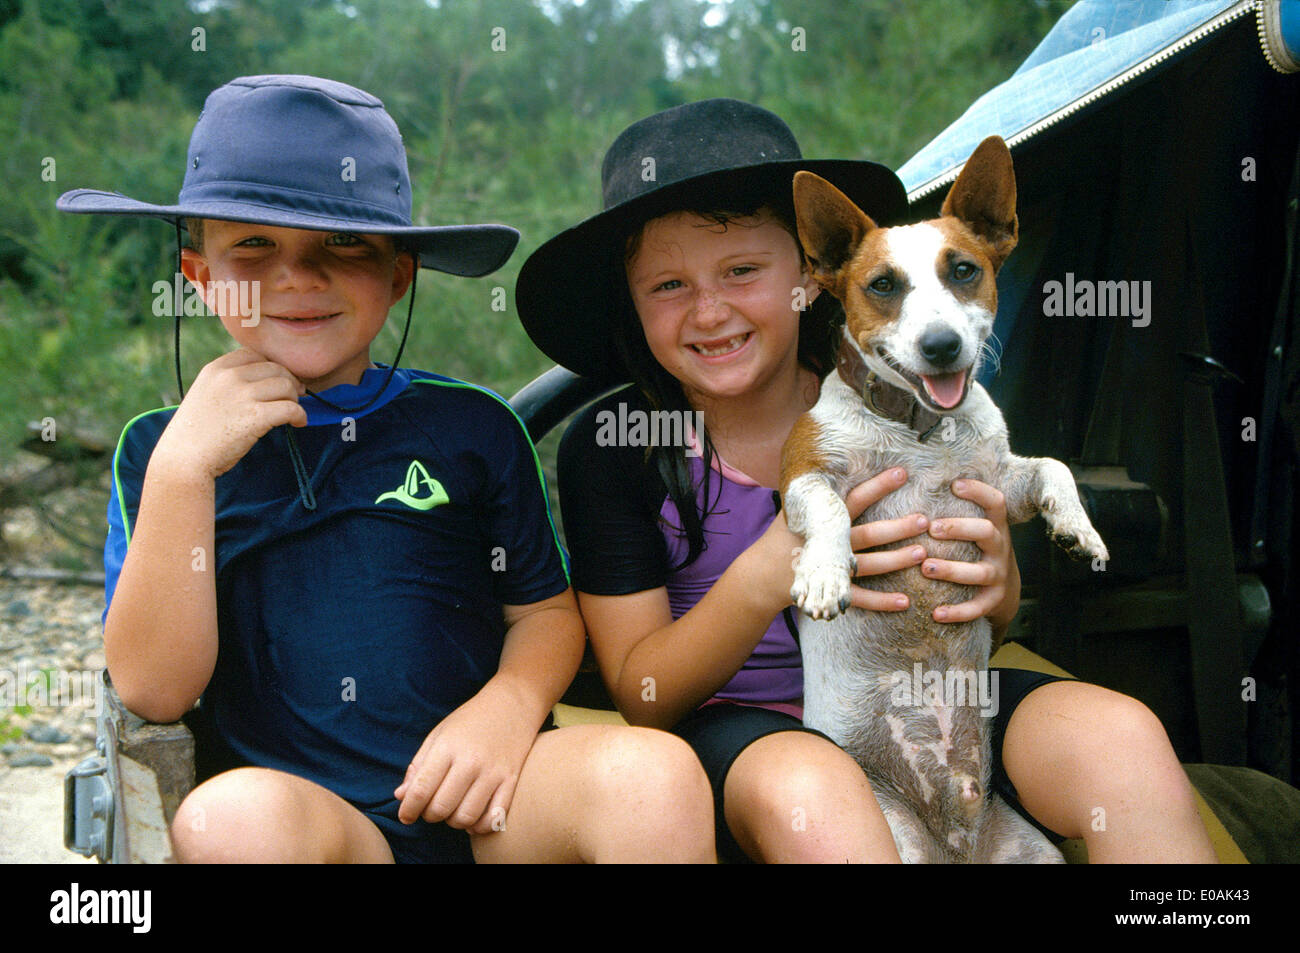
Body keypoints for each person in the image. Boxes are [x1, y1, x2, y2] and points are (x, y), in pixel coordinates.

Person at [517, 98, 1217, 863]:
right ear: (633, 302)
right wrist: (763, 577)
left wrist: (999, 582)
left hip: (935, 693)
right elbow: (641, 693)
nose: (710, 311)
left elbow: (990, 613)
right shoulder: (616, 449)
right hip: (747, 721)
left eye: (743, 270)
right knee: (815, 795)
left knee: (1122, 739)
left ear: (813, 275)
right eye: (669, 286)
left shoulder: (915, 389)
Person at [59, 75, 713, 864]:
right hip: (321, 826)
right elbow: (154, 692)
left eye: (343, 246)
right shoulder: (159, 449)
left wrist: (508, 706)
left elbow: (544, 615)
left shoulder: (470, 426)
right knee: (229, 821)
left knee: (654, 776)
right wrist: (185, 471)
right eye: (253, 247)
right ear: (201, 278)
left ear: (399, 275)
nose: (298, 277)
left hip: (490, 803)